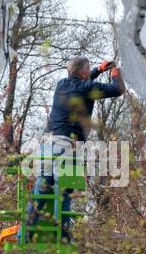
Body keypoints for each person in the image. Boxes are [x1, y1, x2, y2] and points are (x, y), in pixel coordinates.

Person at [24, 56, 124, 240]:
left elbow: (82, 80)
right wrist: (115, 72)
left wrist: (98, 70)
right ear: (82, 72)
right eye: (88, 70)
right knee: (63, 191)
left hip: (47, 144)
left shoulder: (62, 84)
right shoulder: (86, 88)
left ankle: (25, 235)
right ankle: (61, 239)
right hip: (67, 146)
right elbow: (118, 89)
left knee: (40, 189)